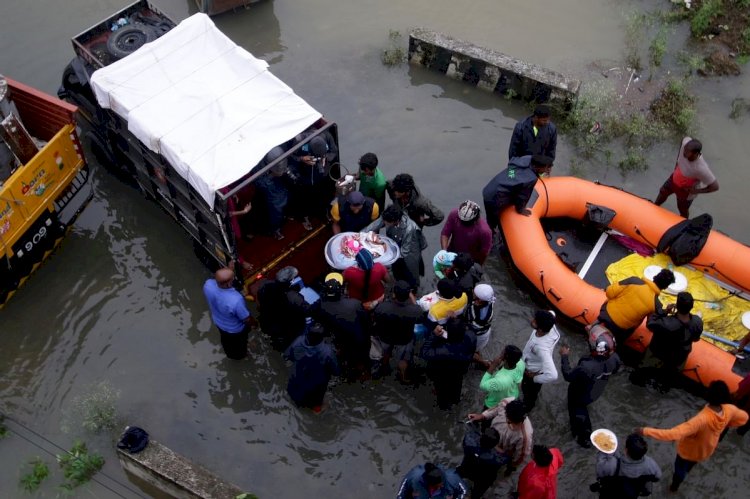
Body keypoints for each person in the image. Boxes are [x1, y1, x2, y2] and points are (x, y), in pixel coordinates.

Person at [637, 380, 748, 492]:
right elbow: (743, 418)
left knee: (679, 470)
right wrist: (727, 423)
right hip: (705, 451)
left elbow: (672, 434)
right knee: (690, 465)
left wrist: (645, 430)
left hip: (687, 452)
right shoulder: (729, 410)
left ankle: (674, 487)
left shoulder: (701, 420)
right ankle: (685, 473)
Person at [631, 291, 703, 392]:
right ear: (691, 307)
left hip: (658, 355)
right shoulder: (697, 322)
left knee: (640, 375)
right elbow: (696, 338)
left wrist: (664, 311)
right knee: (666, 382)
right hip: (678, 359)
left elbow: (650, 323)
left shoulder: (667, 323)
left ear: (677, 306)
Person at [560, 338, 622, 448]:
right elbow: (615, 370)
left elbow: (568, 375)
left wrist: (564, 356)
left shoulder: (586, 366)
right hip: (596, 391)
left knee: (577, 412)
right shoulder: (615, 358)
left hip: (579, 395)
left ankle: (582, 439)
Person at [597, 268, 675, 346]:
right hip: (621, 329)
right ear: (665, 287)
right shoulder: (656, 304)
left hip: (605, 313)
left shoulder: (634, 281)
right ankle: (617, 344)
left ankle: (596, 324)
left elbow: (609, 292)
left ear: (655, 277)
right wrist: (666, 311)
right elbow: (650, 324)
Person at [317, 273, 370, 380]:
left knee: (347, 354)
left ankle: (349, 366)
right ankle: (363, 372)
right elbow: (366, 320)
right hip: (358, 338)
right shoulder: (354, 304)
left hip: (340, 338)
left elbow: (323, 322)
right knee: (360, 357)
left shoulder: (322, 306)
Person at [482, 154, 553, 232]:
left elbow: (512, 163)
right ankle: (491, 231)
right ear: (538, 167)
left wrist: (511, 178)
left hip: (491, 188)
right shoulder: (530, 178)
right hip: (494, 197)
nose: (548, 170)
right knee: (493, 218)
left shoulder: (526, 159)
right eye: (547, 168)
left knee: (490, 214)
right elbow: (522, 196)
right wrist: (520, 210)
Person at [370, 280, 424, 381]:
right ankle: (403, 377)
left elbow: (375, 317)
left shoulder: (382, 307)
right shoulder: (414, 311)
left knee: (385, 353)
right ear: (408, 295)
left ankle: (384, 368)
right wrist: (412, 297)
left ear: (394, 294)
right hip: (404, 339)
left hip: (385, 337)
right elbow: (420, 315)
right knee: (403, 359)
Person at [653, 137, 719, 218]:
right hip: (673, 179)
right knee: (662, 192)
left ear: (695, 154)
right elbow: (684, 140)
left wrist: (696, 191)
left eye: (687, 151)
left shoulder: (701, 168)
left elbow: (715, 186)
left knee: (682, 209)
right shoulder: (686, 143)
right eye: (684, 149)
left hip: (685, 192)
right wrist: (677, 164)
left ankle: (683, 223)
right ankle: (654, 207)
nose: (684, 152)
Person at [256, 266, 318, 351]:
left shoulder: (264, 284)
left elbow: (260, 297)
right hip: (284, 326)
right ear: (291, 281)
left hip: (268, 318)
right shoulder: (294, 298)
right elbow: (308, 310)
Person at [421, 317, 477, 409]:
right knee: (457, 387)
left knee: (442, 393)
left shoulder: (442, 351)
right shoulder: (471, 336)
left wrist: (433, 335)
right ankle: (455, 400)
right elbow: (470, 329)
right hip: (460, 371)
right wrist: (456, 321)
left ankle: (444, 407)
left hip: (443, 375)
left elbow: (425, 353)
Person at [364, 204, 423, 290]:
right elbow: (373, 226)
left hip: (410, 248)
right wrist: (360, 235)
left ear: (395, 221)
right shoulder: (387, 216)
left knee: (410, 270)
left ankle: (413, 288)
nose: (384, 224)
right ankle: (397, 284)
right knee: (396, 270)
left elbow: (404, 252)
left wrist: (385, 259)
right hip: (395, 244)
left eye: (387, 223)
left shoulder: (409, 228)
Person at [468, 398, 534, 473]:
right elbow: (495, 409)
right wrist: (482, 416)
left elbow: (520, 456)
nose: (508, 422)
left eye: (511, 423)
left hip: (502, 451)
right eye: (507, 419)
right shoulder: (505, 403)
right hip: (491, 436)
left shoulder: (525, 436)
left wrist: (511, 467)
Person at [284, 323, 339, 412]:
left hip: (294, 386)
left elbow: (287, 356)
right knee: (320, 405)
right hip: (314, 392)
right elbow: (336, 371)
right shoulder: (328, 352)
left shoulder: (298, 341)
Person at [289, 131, 338, 230]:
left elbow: (334, 151)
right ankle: (304, 217)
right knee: (304, 199)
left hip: (321, 176)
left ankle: (323, 213)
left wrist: (326, 158)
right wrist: (302, 159)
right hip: (304, 178)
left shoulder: (327, 135)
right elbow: (290, 157)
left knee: (322, 196)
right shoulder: (299, 141)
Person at [203, 267, 253, 360]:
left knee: (226, 341)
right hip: (235, 330)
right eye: (232, 278)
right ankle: (241, 356)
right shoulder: (236, 299)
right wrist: (254, 324)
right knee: (240, 346)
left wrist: (230, 269)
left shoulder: (208, 285)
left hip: (218, 322)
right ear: (228, 283)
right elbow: (246, 318)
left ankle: (230, 353)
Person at [592, 433, 661, 499]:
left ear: (626, 450)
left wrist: (605, 451)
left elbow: (600, 475)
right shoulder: (650, 464)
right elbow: (657, 477)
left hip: (610, 495)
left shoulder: (611, 464)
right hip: (631, 495)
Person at [521, 310, 560, 412]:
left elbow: (553, 375)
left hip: (532, 372)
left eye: (535, 321)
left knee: (529, 395)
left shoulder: (542, 348)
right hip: (531, 363)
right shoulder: (550, 325)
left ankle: (526, 409)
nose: (532, 320)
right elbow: (552, 313)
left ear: (541, 329)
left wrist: (534, 378)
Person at [456, 426, 505, 499]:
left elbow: (471, 433)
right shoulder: (495, 458)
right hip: (483, 477)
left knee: (458, 475)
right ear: (493, 445)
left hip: (468, 467)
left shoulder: (468, 440)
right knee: (477, 493)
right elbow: (505, 459)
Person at [253, 145, 291, 240]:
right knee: (275, 210)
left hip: (279, 183)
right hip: (268, 189)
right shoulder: (258, 164)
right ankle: (275, 229)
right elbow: (258, 182)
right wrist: (272, 175)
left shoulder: (279, 150)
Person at [440, 200, 493, 265]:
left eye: (466, 222)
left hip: (469, 261)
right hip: (452, 254)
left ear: (475, 219)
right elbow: (445, 234)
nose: (462, 222)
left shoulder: (485, 231)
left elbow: (484, 253)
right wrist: (444, 252)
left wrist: (478, 266)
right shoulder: (454, 215)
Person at [479, 345, 525, 410]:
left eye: (502, 352)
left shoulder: (501, 380)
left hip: (494, 405)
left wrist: (493, 366)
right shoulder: (521, 362)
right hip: (512, 395)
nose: (500, 352)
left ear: (505, 358)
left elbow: (482, 385)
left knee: (486, 417)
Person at [397, 462, 468, 499]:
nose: (442, 485)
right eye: (439, 484)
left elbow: (465, 492)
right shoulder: (415, 476)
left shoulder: (452, 478)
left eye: (442, 482)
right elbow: (401, 493)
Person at [466, 283, 495, 354]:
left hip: (478, 335)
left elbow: (472, 328)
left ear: (479, 300)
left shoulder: (481, 317)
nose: (472, 292)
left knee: (471, 350)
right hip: (485, 330)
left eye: (474, 293)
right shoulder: (488, 301)